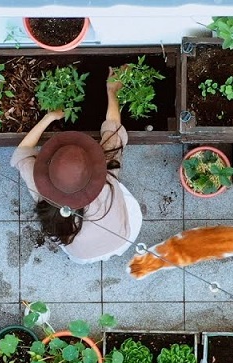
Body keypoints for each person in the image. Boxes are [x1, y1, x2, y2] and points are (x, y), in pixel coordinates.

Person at [10, 69, 143, 264]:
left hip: (83, 255)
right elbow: (113, 125)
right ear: (94, 170)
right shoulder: (106, 178)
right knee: (117, 187)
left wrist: (49, 118)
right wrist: (111, 91)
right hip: (124, 237)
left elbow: (22, 152)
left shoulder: (43, 192)